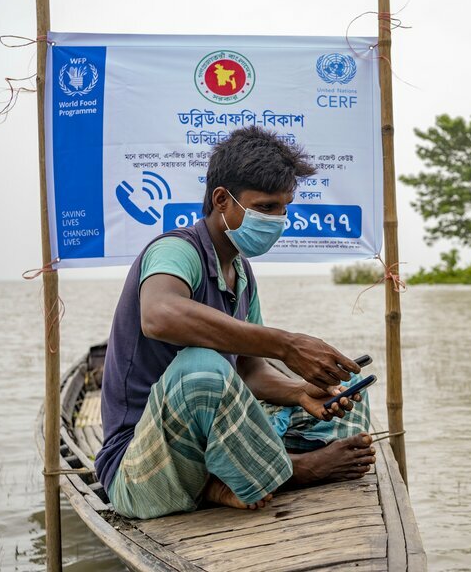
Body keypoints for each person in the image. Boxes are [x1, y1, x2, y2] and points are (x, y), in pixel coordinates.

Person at [95, 126, 375, 520]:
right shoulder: (175, 250)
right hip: (139, 467)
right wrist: (285, 345)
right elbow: (158, 314)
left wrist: (300, 392)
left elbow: (249, 369)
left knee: (342, 389)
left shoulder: (240, 270)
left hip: (203, 441)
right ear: (222, 200)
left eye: (283, 208)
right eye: (264, 207)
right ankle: (294, 469)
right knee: (202, 368)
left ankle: (227, 478)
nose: (278, 219)